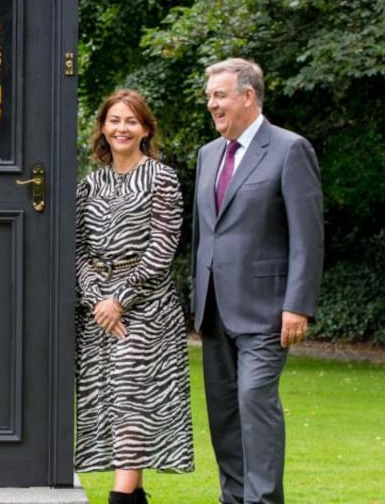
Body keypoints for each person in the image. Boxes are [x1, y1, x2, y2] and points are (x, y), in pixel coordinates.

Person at [192, 58, 323, 504]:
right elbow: (203, 234)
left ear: (248, 96)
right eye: (210, 96)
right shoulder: (208, 154)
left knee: (254, 403)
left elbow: (307, 236)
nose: (212, 104)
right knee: (225, 415)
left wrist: (298, 304)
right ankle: (234, 498)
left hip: (267, 311)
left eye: (220, 95)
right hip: (214, 310)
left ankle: (262, 500)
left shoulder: (290, 149)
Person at [74, 89, 194, 504]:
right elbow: (77, 250)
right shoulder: (89, 183)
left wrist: (119, 299)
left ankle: (120, 498)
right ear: (102, 128)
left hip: (146, 309)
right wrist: (95, 298)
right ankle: (134, 495)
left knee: (132, 401)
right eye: (114, 121)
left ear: (145, 129)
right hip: (97, 311)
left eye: (130, 121)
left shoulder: (162, 178)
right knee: (110, 402)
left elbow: (163, 247)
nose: (121, 128)